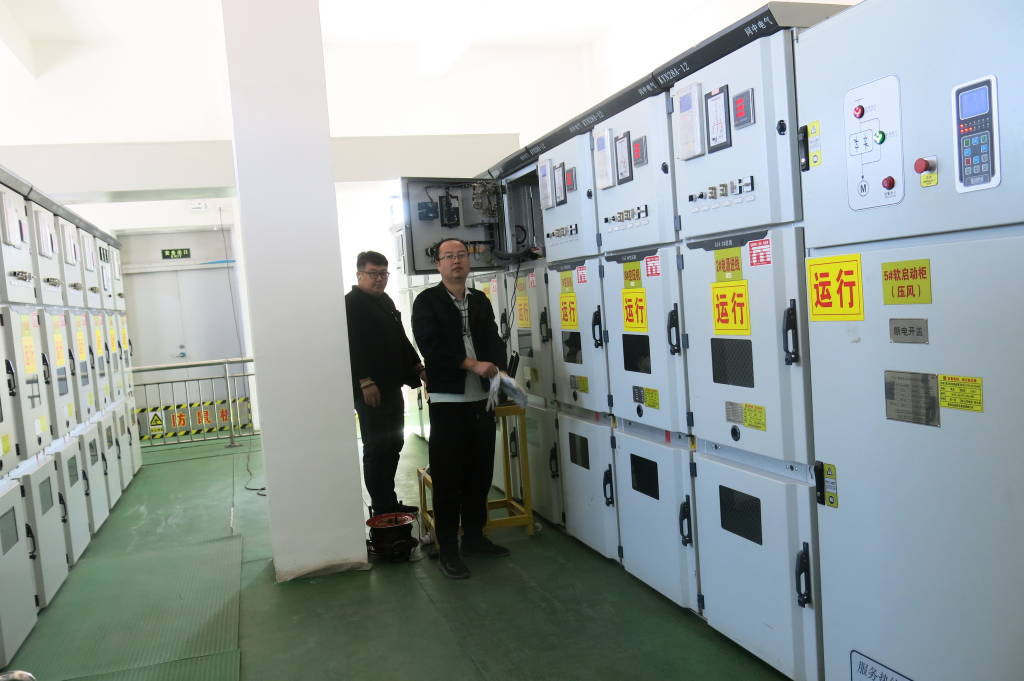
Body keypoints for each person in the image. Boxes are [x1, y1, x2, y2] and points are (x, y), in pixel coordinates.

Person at [412, 237, 510, 579]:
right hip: (448, 402)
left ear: (469, 261)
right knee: (449, 478)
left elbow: (493, 339)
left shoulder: (479, 300)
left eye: (462, 255)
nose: (456, 261)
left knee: (480, 474)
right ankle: (448, 550)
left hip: (482, 400)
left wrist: (498, 369)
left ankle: (474, 537)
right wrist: (472, 364)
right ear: (438, 264)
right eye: (449, 256)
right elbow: (431, 347)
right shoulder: (427, 302)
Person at [345, 251, 424, 515]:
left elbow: (400, 338)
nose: (379, 279)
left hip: (391, 386)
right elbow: (352, 346)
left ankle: (388, 501)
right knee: (377, 446)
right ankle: (381, 508)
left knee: (394, 443)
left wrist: (417, 366)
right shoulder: (350, 304)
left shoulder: (385, 301)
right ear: (359, 275)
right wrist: (364, 381)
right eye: (373, 274)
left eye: (383, 274)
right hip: (370, 390)